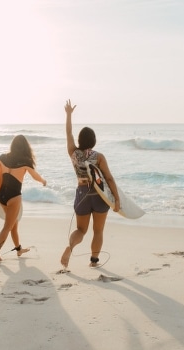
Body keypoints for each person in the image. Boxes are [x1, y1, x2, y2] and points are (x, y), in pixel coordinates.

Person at [60, 99, 121, 269]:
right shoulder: (99, 156)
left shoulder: (73, 153)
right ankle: (94, 261)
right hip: (99, 195)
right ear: (94, 140)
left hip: (82, 194)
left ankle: (70, 248)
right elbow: (108, 178)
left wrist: (69, 115)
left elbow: (68, 133)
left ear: (80, 140)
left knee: (81, 230)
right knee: (98, 230)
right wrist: (117, 199)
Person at [0, 135, 47, 262]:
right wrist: (43, 181)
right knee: (7, 226)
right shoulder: (25, 160)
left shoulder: (2, 157)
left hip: (2, 195)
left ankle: (18, 249)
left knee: (13, 224)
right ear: (25, 147)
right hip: (14, 196)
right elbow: (35, 176)